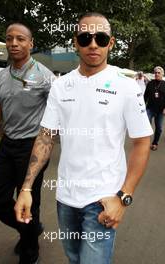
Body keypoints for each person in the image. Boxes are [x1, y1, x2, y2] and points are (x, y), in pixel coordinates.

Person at [15, 13, 153, 264]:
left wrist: (123, 197)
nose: (93, 44)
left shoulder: (127, 87)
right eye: (85, 37)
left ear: (110, 43)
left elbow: (142, 142)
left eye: (100, 38)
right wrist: (26, 188)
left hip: (102, 200)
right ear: (76, 42)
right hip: (65, 198)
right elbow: (46, 136)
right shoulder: (60, 85)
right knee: (74, 258)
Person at [0, 23, 54, 264]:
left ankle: (30, 251)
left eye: (20, 39)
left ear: (30, 43)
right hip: (7, 145)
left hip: (32, 147)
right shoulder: (3, 76)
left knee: (29, 201)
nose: (14, 43)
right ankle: (31, 229)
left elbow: (56, 114)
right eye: (9, 39)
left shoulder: (45, 76)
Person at [144, 66, 165, 151]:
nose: (156, 74)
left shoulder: (164, 84)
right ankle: (145, 142)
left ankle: (155, 143)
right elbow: (145, 96)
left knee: (159, 128)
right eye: (155, 72)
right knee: (146, 125)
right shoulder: (150, 83)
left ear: (162, 74)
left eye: (158, 73)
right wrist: (142, 107)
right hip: (150, 109)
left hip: (160, 110)